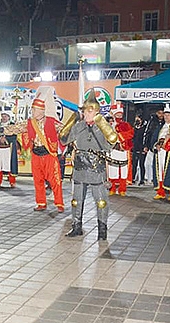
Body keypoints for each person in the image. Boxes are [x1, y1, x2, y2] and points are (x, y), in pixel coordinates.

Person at [60, 89, 117, 241]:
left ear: (96, 112)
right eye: (84, 111)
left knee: (101, 201)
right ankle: (76, 226)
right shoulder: (79, 126)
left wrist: (99, 124)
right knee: (76, 200)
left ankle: (102, 229)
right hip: (80, 166)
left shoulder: (103, 127)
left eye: (88, 112)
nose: (85, 114)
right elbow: (64, 139)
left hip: (96, 167)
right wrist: (73, 118)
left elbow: (110, 144)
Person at [107, 103, 134, 196]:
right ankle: (112, 188)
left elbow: (130, 134)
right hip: (113, 150)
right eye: (117, 114)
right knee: (112, 170)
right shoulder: (109, 126)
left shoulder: (126, 125)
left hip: (123, 150)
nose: (119, 116)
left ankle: (122, 189)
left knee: (123, 170)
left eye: (120, 115)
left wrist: (120, 134)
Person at [0, 108, 18, 187]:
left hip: (8, 148)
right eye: (2, 115)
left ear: (9, 117)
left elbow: (15, 136)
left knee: (9, 164)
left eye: (5, 116)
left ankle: (12, 182)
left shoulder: (12, 125)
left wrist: (6, 139)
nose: (4, 117)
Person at [142, 109, 163, 185]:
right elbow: (147, 133)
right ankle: (148, 178)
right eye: (159, 113)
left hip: (161, 148)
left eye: (162, 113)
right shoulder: (152, 121)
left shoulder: (165, 123)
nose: (161, 115)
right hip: (151, 146)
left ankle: (157, 179)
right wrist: (145, 145)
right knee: (148, 163)